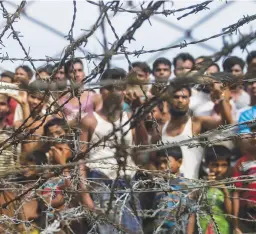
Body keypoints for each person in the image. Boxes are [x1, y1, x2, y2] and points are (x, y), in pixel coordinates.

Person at [79, 68, 148, 233]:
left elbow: (143, 149)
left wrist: (139, 115)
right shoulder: (90, 121)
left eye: (120, 87)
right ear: (102, 91)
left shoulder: (130, 118)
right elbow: (79, 161)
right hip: (101, 183)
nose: (116, 92)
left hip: (127, 183)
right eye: (111, 88)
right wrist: (85, 196)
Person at [158, 81, 233, 179]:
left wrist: (222, 97)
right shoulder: (161, 128)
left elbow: (226, 124)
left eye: (184, 97)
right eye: (176, 97)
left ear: (189, 100)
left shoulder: (195, 122)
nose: (180, 100)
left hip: (191, 187)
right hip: (166, 189)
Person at [187, 145, 233, 234]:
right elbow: (192, 211)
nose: (219, 169)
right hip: (203, 228)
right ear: (207, 165)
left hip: (223, 229)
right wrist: (205, 186)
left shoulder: (230, 186)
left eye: (224, 165)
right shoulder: (200, 184)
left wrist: (225, 191)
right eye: (215, 165)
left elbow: (230, 214)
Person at [152, 147, 190, 233]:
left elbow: (191, 215)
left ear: (179, 162)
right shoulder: (156, 186)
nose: (161, 166)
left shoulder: (186, 186)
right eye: (159, 163)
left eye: (166, 162)